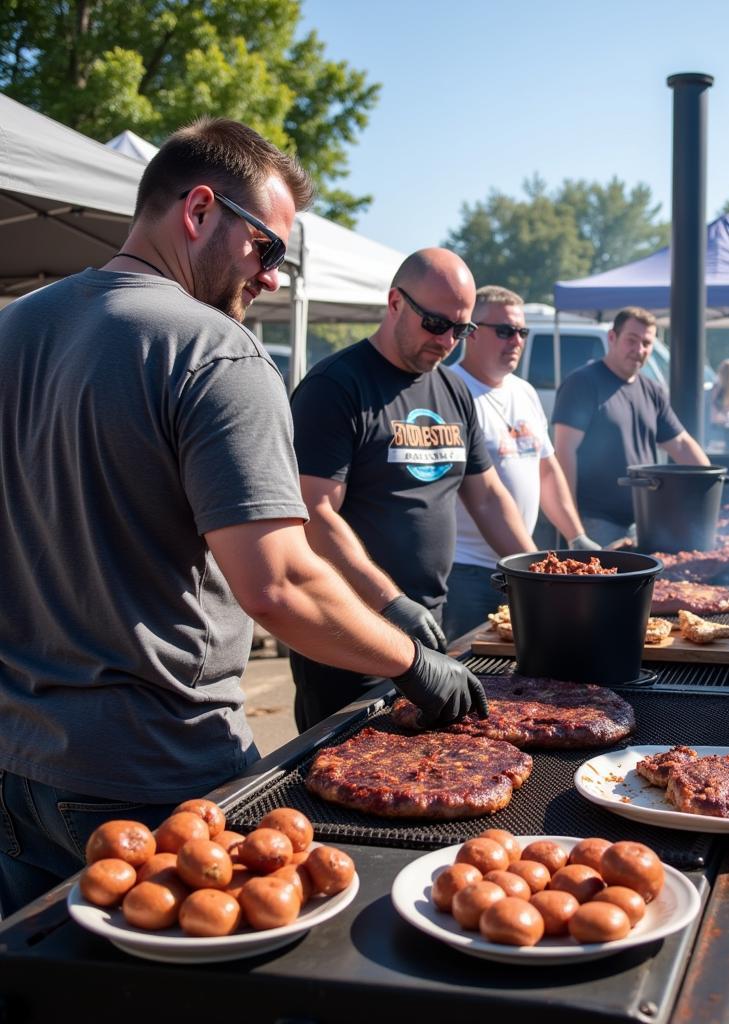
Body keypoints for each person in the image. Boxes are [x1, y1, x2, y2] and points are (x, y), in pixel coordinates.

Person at [0, 120, 485, 917]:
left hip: (15, 763)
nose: (269, 278)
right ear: (198, 210)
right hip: (151, 770)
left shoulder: (16, 325)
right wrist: (410, 658)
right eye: (266, 249)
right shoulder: (215, 353)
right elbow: (279, 585)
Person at [288, 250, 537, 731]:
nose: (446, 341)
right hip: (349, 632)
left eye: (459, 330)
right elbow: (313, 512)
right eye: (435, 323)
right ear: (395, 302)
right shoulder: (336, 387)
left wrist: (539, 578)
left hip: (428, 626)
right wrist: (389, 601)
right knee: (351, 774)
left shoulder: (452, 389)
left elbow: (485, 495)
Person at [444, 285, 599, 643]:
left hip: (520, 564)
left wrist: (577, 537)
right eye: (504, 331)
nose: (516, 340)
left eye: (521, 332)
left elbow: (547, 470)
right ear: (471, 332)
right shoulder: (451, 390)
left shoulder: (524, 392)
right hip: (468, 570)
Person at [552, 306, 709, 546]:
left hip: (643, 521)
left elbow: (680, 443)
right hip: (595, 521)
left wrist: (710, 486)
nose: (639, 350)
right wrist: (574, 530)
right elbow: (564, 452)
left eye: (646, 343)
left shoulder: (651, 390)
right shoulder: (583, 383)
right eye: (632, 340)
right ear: (612, 338)